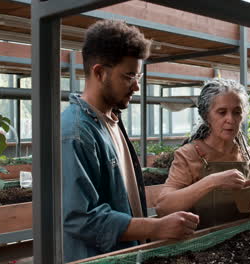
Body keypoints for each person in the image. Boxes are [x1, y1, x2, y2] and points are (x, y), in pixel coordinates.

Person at [61, 20, 199, 262]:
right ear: (99, 72)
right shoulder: (76, 132)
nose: (136, 85)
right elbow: (80, 218)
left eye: (138, 76)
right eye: (128, 76)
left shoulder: (112, 119)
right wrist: (155, 228)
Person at [156, 78, 250, 228]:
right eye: (222, 112)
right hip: (202, 245)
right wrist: (212, 182)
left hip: (245, 241)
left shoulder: (248, 154)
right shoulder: (189, 154)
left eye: (237, 112)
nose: (230, 119)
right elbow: (163, 207)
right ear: (206, 116)